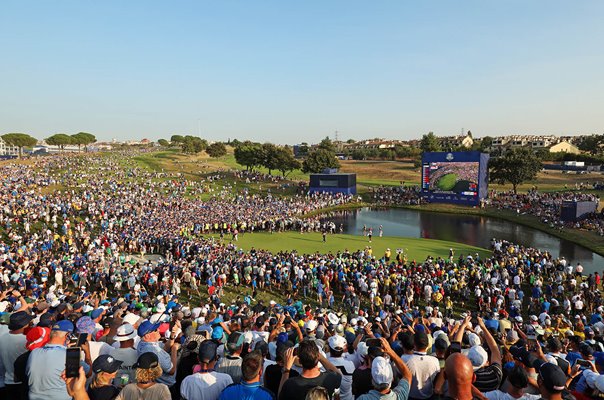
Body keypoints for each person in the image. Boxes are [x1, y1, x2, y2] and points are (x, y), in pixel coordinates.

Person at [27, 319, 90, 400]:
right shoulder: (70, 355)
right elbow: (89, 373)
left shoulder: (34, 352)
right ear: (68, 335)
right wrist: (87, 352)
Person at [278, 339, 343, 400]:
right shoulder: (330, 378)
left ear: (300, 361)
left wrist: (286, 370)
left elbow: (280, 396)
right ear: (318, 356)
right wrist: (320, 357)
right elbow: (338, 374)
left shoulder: (291, 384)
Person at [0, 310, 34, 398]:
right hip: (22, 383)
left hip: (8, 382)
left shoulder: (2, 338)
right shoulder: (26, 341)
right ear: (24, 325)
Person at [136, 320, 179, 388]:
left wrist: (172, 334)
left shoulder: (143, 343)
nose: (158, 330)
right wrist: (174, 349)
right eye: (155, 330)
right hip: (167, 386)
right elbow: (171, 371)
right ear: (147, 336)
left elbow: (165, 348)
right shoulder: (152, 350)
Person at [405, 331, 440, 400]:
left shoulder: (406, 360)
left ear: (414, 344)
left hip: (411, 396)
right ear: (427, 345)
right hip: (429, 396)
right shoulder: (435, 361)